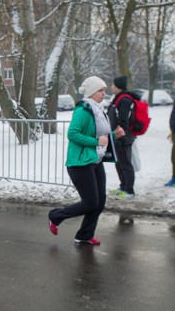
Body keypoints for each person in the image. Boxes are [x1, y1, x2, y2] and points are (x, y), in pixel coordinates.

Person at [48, 76, 124, 246]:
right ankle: (55, 216)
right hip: (79, 163)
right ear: (91, 93)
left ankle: (84, 235)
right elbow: (73, 134)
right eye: (100, 91)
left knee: (99, 202)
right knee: (90, 202)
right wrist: (96, 142)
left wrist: (114, 136)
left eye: (104, 90)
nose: (104, 93)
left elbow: (100, 136)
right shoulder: (83, 110)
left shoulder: (98, 110)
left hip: (94, 160)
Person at [107, 75, 138, 199]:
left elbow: (124, 120)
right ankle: (123, 186)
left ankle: (129, 190)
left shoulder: (124, 100)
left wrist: (121, 137)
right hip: (117, 136)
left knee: (125, 163)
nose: (111, 87)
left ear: (118, 86)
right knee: (119, 163)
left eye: (113, 85)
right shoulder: (118, 98)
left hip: (122, 137)